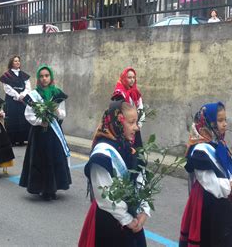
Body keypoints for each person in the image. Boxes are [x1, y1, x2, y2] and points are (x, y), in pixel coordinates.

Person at [79, 101, 150, 247]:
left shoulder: (130, 147)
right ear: (118, 122)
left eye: (136, 122)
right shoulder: (102, 154)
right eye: (131, 122)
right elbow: (104, 196)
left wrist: (144, 210)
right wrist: (128, 220)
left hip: (132, 218)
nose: (136, 128)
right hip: (110, 220)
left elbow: (141, 178)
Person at [179, 102, 232, 247]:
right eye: (220, 121)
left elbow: (230, 166)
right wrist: (228, 187)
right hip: (206, 200)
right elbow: (207, 180)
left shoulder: (219, 143)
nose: (225, 124)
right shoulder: (200, 151)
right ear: (208, 122)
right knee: (210, 237)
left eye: (225, 120)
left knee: (226, 235)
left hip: (223, 195)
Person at [19, 65, 71, 200]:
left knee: (55, 158)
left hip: (54, 133)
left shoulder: (57, 93)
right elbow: (28, 114)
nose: (44, 79)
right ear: (38, 78)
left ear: (51, 77)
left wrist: (58, 112)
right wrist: (39, 122)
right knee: (41, 160)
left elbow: (63, 113)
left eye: (47, 76)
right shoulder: (33, 95)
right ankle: (42, 188)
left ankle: (54, 188)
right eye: (41, 76)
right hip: (39, 133)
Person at [0, 56, 31, 146]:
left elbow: (28, 87)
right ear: (11, 63)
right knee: (12, 119)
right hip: (11, 101)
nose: (17, 62)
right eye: (15, 61)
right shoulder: (7, 75)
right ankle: (11, 140)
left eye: (18, 61)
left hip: (22, 101)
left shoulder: (24, 75)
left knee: (22, 118)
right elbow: (7, 88)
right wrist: (17, 96)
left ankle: (21, 139)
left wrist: (23, 95)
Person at [111, 67, 144, 148]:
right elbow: (117, 113)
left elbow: (140, 108)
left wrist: (139, 124)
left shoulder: (136, 93)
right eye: (129, 77)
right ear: (124, 78)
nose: (132, 80)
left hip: (135, 127)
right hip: (124, 130)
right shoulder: (119, 93)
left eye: (133, 77)